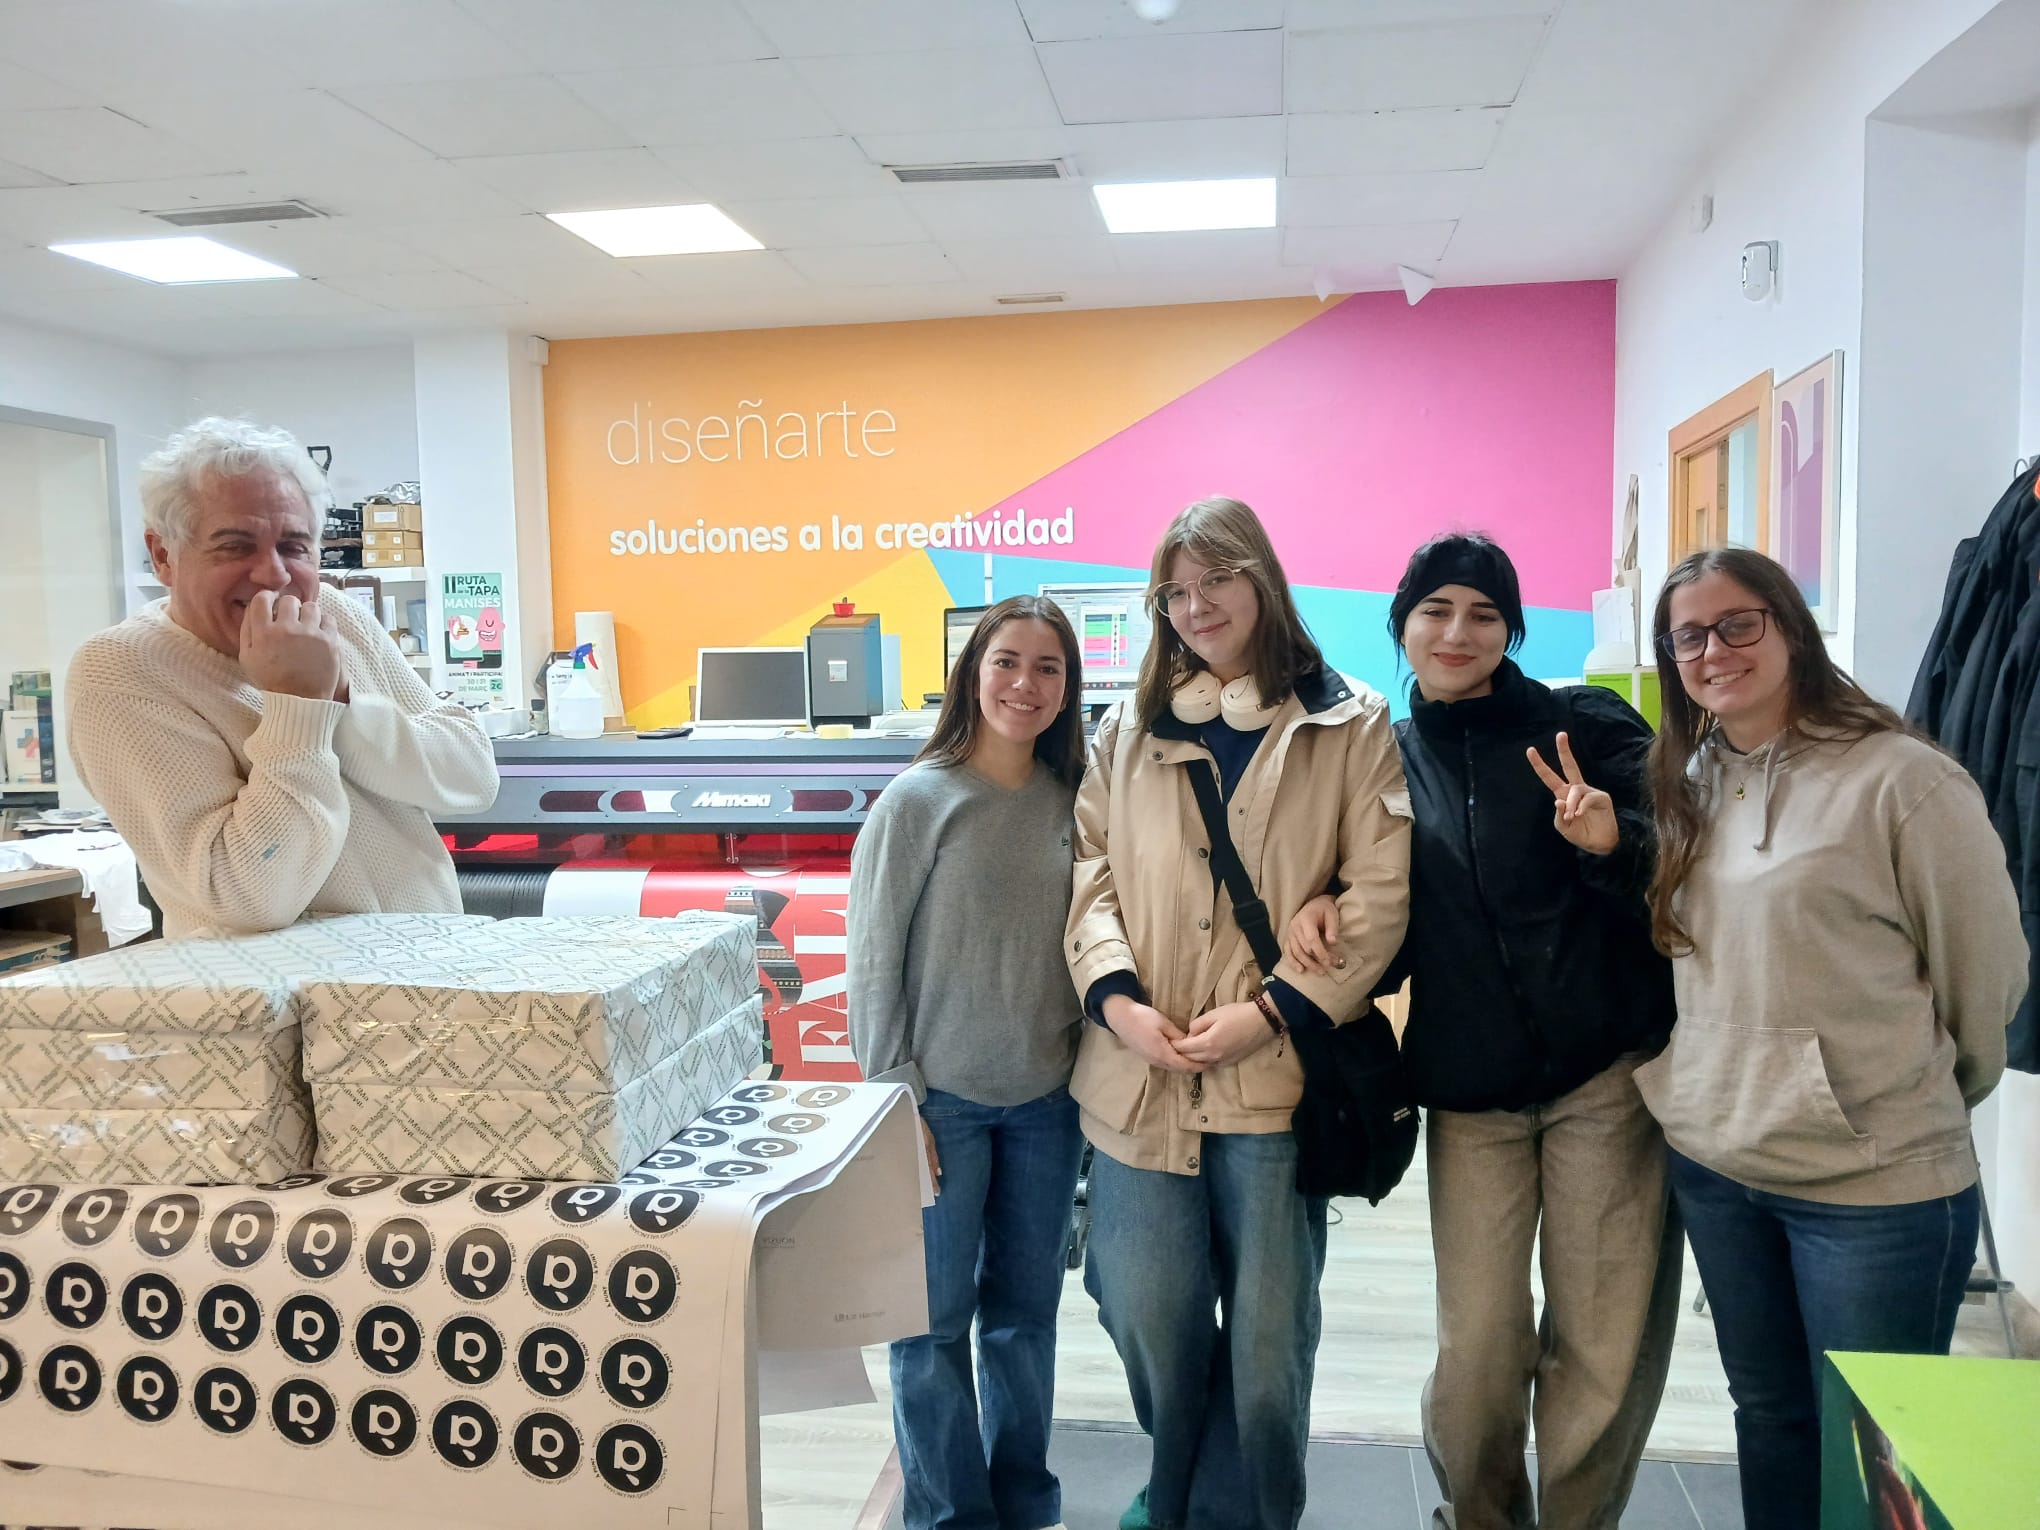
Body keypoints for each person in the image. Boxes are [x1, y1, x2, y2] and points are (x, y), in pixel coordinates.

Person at [1285, 533, 1681, 1530]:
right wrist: (1324, 904)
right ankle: (1481, 1516)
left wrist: (1611, 842)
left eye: (1484, 614)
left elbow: (1683, 874)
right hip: (1470, 1094)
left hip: (1605, 1079)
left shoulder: (1582, 726)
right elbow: (1379, 911)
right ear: (1402, 626)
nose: (1458, 632)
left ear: (1512, 631)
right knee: (1480, 1346)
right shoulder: (1383, 759)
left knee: (1602, 1339)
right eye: (1436, 610)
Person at [1635, 547, 2025, 1530]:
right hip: (1720, 1165)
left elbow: (1986, 977)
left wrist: (1901, 1095)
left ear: (1790, 628)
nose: (1714, 650)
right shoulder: (1688, 778)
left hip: (1874, 1190)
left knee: (1871, 1458)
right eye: (1688, 636)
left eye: (1739, 624)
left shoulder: (1904, 781)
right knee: (1770, 1418)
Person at [1065, 496, 1412, 1530]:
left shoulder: (1349, 723)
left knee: (1268, 1347)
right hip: (1139, 1078)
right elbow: (1090, 873)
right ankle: (1185, 1488)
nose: (1196, 605)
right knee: (1142, 1309)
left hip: (1272, 1084)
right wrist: (1116, 1000)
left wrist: (1272, 1011)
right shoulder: (1127, 729)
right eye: (1174, 592)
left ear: (1260, 577)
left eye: (1216, 579)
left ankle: (1231, 1512)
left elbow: (1381, 889)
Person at [847, 594, 1088, 1530]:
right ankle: (950, 1515)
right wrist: (895, 1099)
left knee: (1025, 1320)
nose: (1025, 684)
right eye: (1007, 663)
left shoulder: (1074, 802)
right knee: (931, 1323)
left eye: (1048, 668)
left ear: (1068, 688)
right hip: (937, 1105)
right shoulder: (919, 801)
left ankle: (1023, 1502)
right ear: (972, 673)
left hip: (1047, 1104)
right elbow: (873, 959)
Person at [66, 417, 498, 939]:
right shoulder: (121, 671)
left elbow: (473, 781)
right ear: (164, 556)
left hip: (428, 962)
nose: (273, 574)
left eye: (294, 546)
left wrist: (342, 697)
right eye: (235, 546)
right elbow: (249, 896)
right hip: (281, 989)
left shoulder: (334, 615)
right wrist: (299, 705)